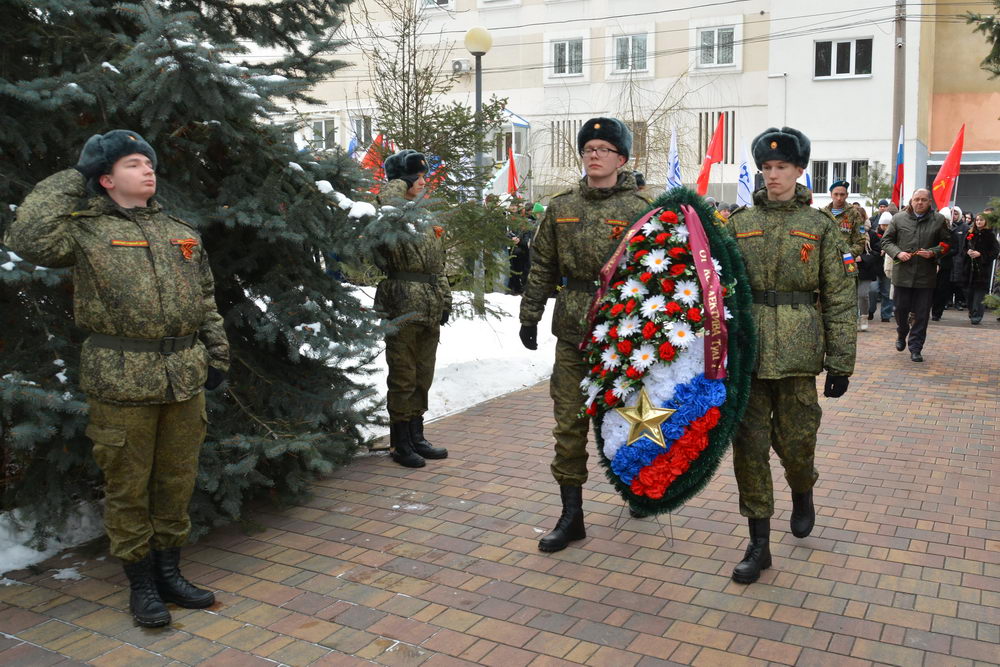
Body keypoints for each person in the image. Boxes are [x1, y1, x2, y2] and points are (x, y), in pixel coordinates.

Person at [4, 130, 230, 627]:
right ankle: (142, 585)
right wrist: (77, 175)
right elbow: (26, 235)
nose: (147, 170)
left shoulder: (180, 230)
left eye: (148, 163)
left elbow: (206, 299)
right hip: (122, 379)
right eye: (132, 164)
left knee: (175, 481)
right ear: (106, 179)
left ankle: (170, 573)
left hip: (183, 377)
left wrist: (216, 357)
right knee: (128, 486)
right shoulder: (84, 231)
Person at [727, 127, 856, 584]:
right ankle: (758, 542)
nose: (774, 175)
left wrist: (841, 362)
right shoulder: (738, 223)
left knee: (797, 445)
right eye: (767, 167)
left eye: (782, 167)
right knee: (749, 449)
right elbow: (716, 288)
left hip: (800, 353)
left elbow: (840, 297)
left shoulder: (822, 227)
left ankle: (803, 489)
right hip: (750, 354)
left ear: (800, 171)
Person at [518, 117, 651, 553]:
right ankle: (571, 515)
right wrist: (530, 314)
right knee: (569, 424)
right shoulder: (561, 206)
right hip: (574, 329)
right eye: (588, 148)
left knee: (629, 419)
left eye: (603, 148)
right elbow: (542, 266)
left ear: (622, 159)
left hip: (623, 333)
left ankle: (636, 489)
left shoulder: (643, 209)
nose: (593, 155)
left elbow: (661, 274)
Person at [374, 149, 451, 468]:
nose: (423, 182)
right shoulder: (393, 214)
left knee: (423, 374)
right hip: (402, 301)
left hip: (430, 303)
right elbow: (385, 200)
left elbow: (438, 266)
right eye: (416, 178)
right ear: (401, 181)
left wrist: (445, 299)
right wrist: (397, 180)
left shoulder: (424, 216)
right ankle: (400, 442)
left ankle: (416, 434)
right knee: (403, 375)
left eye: (423, 176)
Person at [880, 189, 951, 362]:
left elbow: (947, 243)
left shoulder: (938, 220)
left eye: (923, 200)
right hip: (903, 273)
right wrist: (897, 253)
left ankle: (916, 347)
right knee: (900, 310)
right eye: (916, 199)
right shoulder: (898, 218)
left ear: (929, 202)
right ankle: (902, 332)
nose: (920, 203)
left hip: (925, 276)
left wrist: (933, 252)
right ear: (911, 201)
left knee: (921, 314)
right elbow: (886, 241)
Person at [962, 212, 1000, 325]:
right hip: (969, 268)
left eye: (981, 220)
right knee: (968, 292)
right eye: (977, 220)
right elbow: (963, 248)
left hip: (982, 269)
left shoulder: (990, 235)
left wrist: (981, 254)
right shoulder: (970, 233)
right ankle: (971, 310)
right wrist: (967, 252)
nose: (979, 222)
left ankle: (977, 314)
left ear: (986, 222)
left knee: (979, 293)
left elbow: (994, 252)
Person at [822, 180, 866, 260]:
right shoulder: (824, 213)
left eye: (842, 194)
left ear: (847, 195)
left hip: (846, 261)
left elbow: (861, 240)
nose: (839, 198)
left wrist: (848, 255)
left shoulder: (854, 214)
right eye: (836, 194)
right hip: (826, 260)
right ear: (831, 195)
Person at [931, 207, 959, 321]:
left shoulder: (952, 233)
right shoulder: (932, 232)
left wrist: (943, 253)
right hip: (932, 264)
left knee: (942, 290)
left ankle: (937, 313)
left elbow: (955, 249)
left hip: (945, 265)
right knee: (929, 290)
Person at [872, 212, 894, 321]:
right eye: (883, 225)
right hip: (875, 267)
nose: (885, 227)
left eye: (887, 225)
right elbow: (872, 249)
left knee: (887, 292)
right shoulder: (874, 235)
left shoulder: (895, 236)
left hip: (888, 267)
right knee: (873, 290)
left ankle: (886, 315)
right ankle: (870, 310)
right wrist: (879, 251)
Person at [947, 206, 969, 310]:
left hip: (961, 257)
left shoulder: (965, 227)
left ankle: (958, 302)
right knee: (948, 281)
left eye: (956, 214)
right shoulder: (948, 226)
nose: (954, 216)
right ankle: (948, 301)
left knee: (959, 282)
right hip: (949, 257)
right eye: (952, 214)